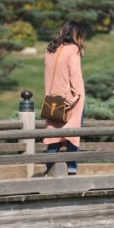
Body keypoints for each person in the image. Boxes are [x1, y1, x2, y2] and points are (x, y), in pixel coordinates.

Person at [43, 21, 86, 175]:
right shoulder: (73, 49)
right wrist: (77, 96)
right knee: (72, 137)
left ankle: (48, 170)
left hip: (52, 101)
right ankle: (72, 171)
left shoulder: (50, 49)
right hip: (70, 101)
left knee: (53, 138)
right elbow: (75, 76)